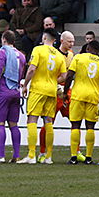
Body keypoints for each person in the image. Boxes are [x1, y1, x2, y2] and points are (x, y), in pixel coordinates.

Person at [18, 28, 66, 164]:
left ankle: (32, 155)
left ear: (44, 38)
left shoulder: (38, 50)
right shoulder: (59, 55)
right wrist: (52, 81)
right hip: (51, 91)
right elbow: (63, 76)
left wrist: (26, 84)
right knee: (48, 122)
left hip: (38, 89)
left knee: (32, 120)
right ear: (55, 40)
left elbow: (32, 69)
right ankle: (48, 157)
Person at [37, 31, 81, 163]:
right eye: (69, 41)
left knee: (75, 120)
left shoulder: (72, 55)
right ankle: (42, 153)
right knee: (48, 122)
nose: (71, 44)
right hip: (54, 91)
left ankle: (77, 151)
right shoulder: (54, 55)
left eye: (73, 42)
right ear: (61, 41)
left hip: (66, 92)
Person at [63, 40, 99, 164]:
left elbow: (70, 75)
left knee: (75, 125)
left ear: (88, 47)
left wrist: (66, 92)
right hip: (93, 97)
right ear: (98, 50)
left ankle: (73, 157)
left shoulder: (79, 58)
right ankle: (88, 158)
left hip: (78, 95)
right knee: (90, 127)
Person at [0, 30, 26, 163]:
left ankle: (0, 156)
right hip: (16, 91)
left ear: (4, 39)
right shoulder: (21, 55)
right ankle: (16, 156)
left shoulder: (3, 52)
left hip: (3, 91)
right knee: (14, 125)